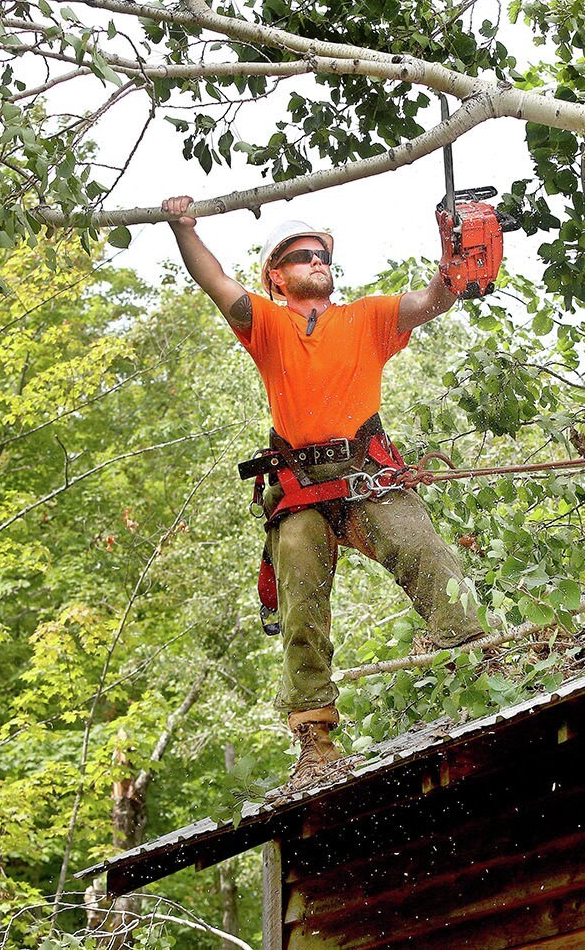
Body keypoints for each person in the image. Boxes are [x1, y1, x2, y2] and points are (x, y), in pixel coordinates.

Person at [162, 196, 486, 793]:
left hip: (366, 471)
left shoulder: (366, 318)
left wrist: (455, 265)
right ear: (276, 275)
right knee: (301, 596)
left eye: (323, 254)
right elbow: (213, 279)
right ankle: (315, 737)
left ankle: (476, 664)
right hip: (300, 486)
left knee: (427, 554)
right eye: (302, 256)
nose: (318, 261)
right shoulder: (265, 323)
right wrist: (185, 228)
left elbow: (428, 303)